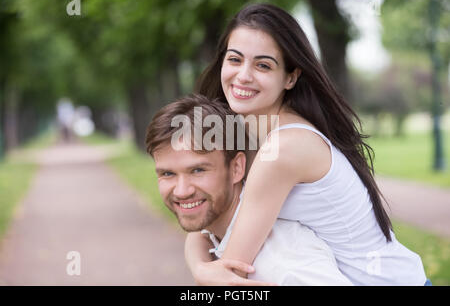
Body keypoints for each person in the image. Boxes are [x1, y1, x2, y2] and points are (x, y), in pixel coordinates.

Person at [186, 3, 428, 285]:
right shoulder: (248, 127)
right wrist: (200, 268)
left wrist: (203, 270)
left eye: (263, 65)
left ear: (291, 77)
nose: (243, 75)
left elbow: (233, 270)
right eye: (235, 59)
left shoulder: (284, 149)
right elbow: (203, 215)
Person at [145, 94, 353, 285]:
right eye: (167, 174)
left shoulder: (283, 262)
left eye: (198, 170)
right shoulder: (217, 231)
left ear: (236, 168)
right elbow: (199, 236)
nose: (181, 191)